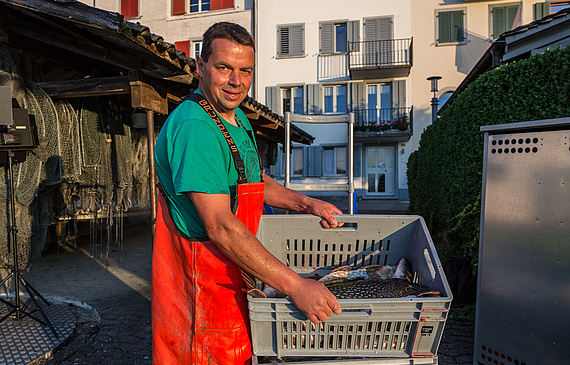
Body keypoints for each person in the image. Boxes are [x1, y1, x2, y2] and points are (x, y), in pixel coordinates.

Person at [152, 22, 343, 364]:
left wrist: (307, 203)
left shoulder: (236, 118)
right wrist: (297, 286)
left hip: (235, 275)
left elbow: (253, 180)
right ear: (200, 66)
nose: (236, 81)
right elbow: (221, 226)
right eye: (224, 68)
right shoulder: (196, 127)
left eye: (245, 70)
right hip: (203, 293)